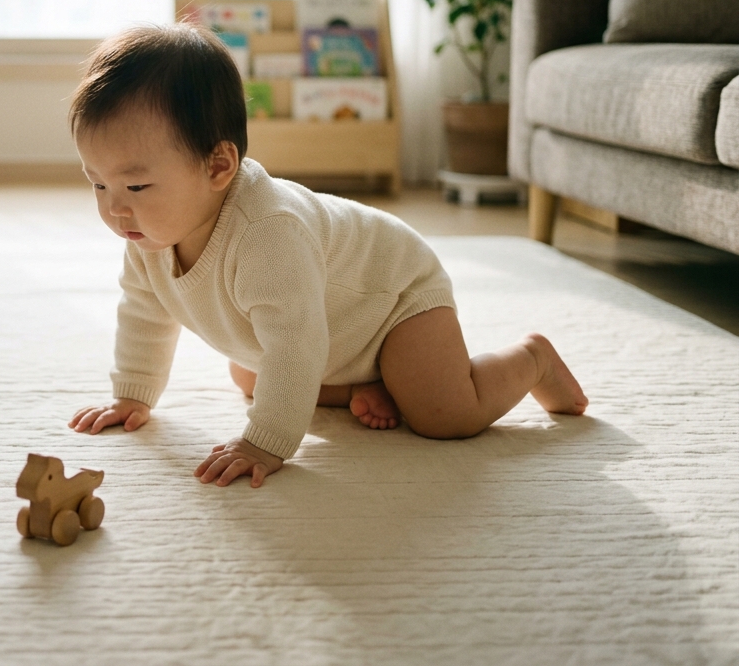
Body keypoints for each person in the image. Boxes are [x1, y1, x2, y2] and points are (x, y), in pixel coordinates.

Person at [67, 24, 587, 488]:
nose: (115, 209)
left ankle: (533, 359)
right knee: (250, 374)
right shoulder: (147, 234)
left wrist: (265, 441)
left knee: (443, 414)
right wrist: (133, 394)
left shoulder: (267, 234)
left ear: (218, 166)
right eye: (98, 184)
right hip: (330, 327)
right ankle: (373, 381)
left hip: (394, 301)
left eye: (135, 184)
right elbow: (144, 312)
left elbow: (296, 344)